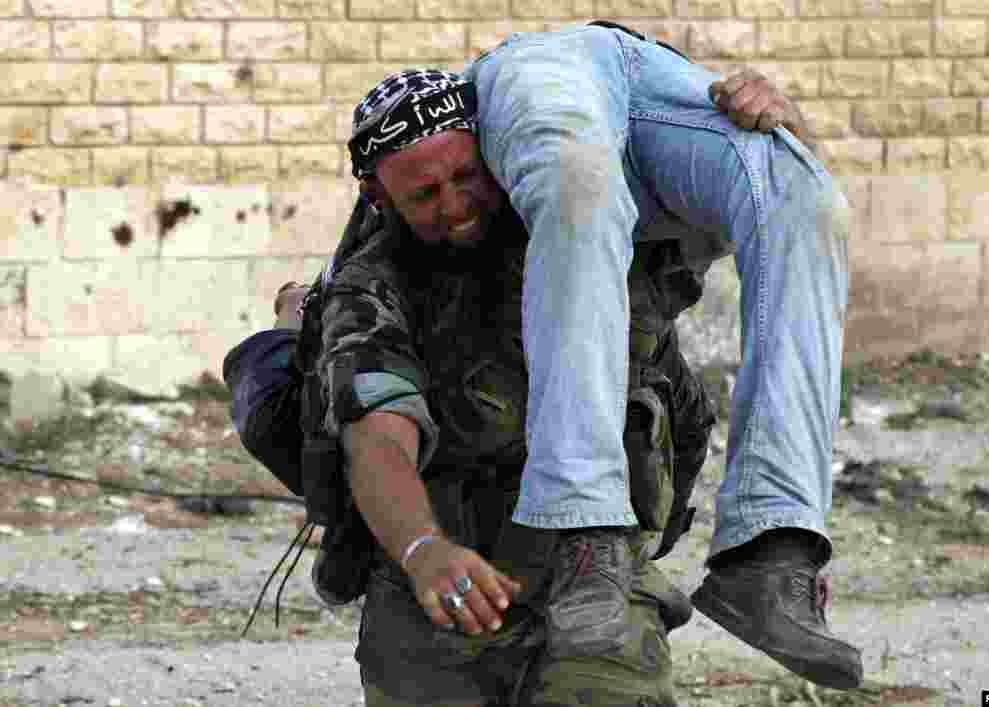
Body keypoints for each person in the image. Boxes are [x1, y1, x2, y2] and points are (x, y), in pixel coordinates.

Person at [225, 54, 823, 704]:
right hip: (438, 609)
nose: (455, 206)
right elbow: (378, 437)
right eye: (424, 195)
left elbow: (769, 200)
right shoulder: (372, 291)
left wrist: (780, 125)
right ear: (377, 196)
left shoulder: (578, 215)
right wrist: (424, 548)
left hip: (599, 592)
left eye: (464, 176)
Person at [457, 22, 860, 690]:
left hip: (652, 66)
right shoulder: (460, 191)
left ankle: (771, 548)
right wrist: (315, 295)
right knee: (579, 183)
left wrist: (797, 129)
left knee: (804, 195)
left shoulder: (675, 193)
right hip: (545, 64)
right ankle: (585, 534)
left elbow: (785, 174)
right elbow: (390, 178)